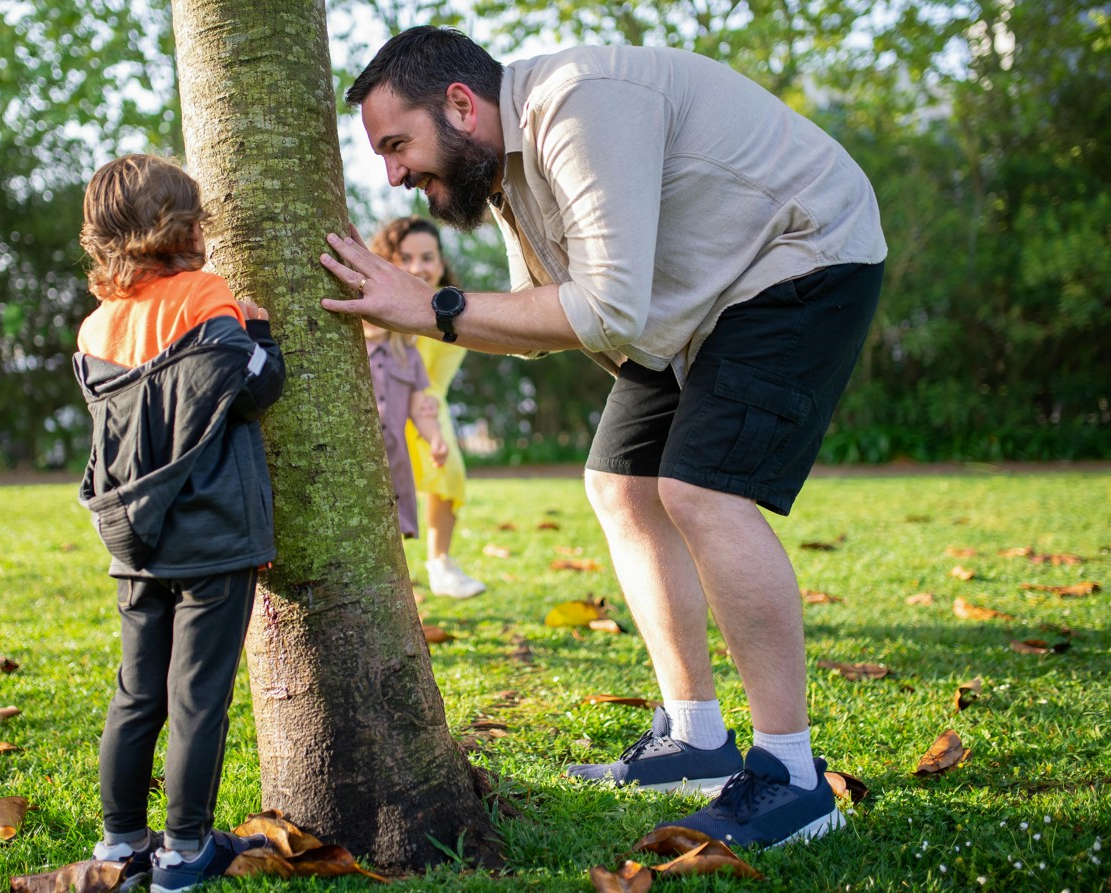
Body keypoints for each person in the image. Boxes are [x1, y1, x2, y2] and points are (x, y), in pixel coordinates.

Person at [319, 27, 886, 850]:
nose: (394, 174)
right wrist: (424, 311)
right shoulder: (508, 169)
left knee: (701, 489)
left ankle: (792, 777)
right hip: (689, 303)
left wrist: (428, 307)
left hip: (801, 256)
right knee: (620, 482)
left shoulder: (578, 103)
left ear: (461, 105)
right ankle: (695, 737)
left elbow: (606, 309)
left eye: (397, 144)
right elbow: (539, 318)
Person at [73, 153, 283, 893]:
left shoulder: (95, 326)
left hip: (136, 538)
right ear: (181, 225)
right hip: (212, 531)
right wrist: (263, 336)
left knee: (137, 692)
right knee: (197, 695)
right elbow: (251, 389)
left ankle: (122, 838)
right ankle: (185, 847)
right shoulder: (203, 295)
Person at [369, 216, 486, 599]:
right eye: (406, 257)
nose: (418, 267)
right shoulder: (379, 306)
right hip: (381, 406)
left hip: (426, 401)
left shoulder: (455, 310)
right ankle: (389, 572)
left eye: (427, 257)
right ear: (389, 260)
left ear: (441, 262)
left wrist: (430, 422)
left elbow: (436, 380)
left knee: (448, 470)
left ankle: (441, 563)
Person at [361, 315, 450, 541]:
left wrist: (436, 438)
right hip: (357, 457)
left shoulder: (409, 356)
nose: (369, 317)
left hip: (394, 459)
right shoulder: (345, 352)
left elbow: (420, 408)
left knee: (393, 529)